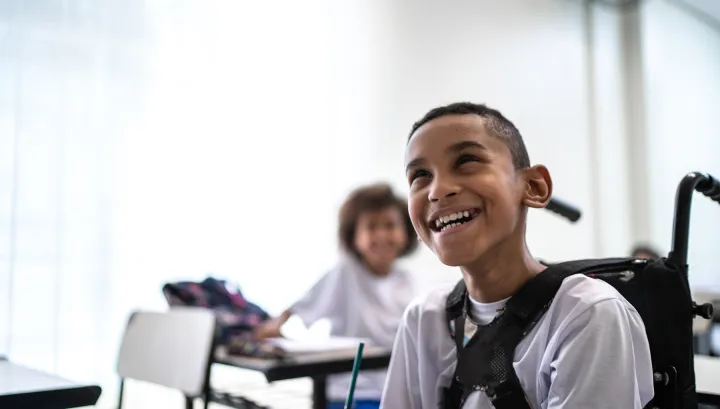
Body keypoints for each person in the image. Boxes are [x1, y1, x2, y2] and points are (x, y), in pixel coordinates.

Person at [380, 102, 654, 408]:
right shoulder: (424, 318)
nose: (438, 190)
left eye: (466, 160)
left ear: (533, 186)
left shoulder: (586, 314)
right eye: (420, 175)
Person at [254, 183, 418, 409]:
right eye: (371, 227)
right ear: (354, 236)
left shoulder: (406, 281)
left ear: (406, 231)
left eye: (390, 225)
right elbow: (303, 303)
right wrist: (276, 324)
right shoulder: (346, 273)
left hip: (394, 391)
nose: (381, 235)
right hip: (349, 393)